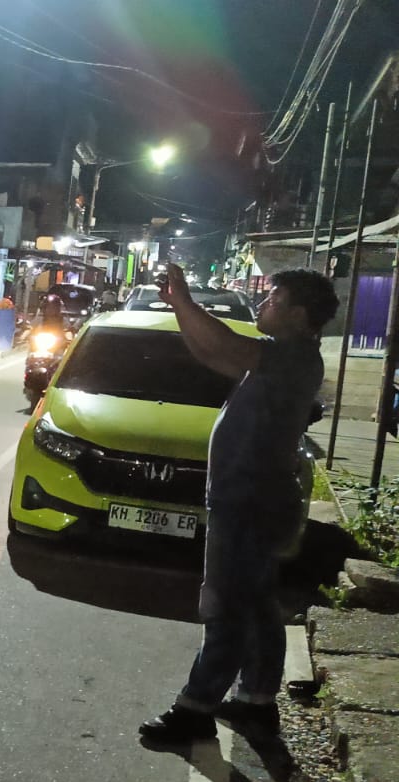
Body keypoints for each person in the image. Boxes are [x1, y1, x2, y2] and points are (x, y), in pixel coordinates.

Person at [140, 264, 338, 743]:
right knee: (257, 602)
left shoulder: (292, 356)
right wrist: (181, 307)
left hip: (250, 500)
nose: (264, 304)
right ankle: (257, 700)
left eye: (274, 299)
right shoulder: (281, 356)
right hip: (253, 497)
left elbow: (226, 345)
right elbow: (212, 352)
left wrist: (186, 300)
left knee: (225, 604)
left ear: (298, 314)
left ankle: (196, 707)